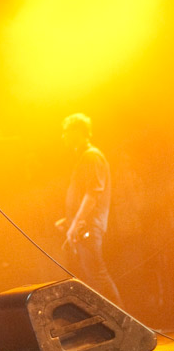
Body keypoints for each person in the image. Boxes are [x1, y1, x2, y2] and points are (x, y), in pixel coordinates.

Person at [55, 113, 123, 306]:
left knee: (97, 275)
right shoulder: (85, 157)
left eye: (66, 131)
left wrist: (75, 223)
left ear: (78, 131)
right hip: (84, 226)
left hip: (89, 227)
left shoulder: (92, 156)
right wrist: (70, 220)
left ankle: (122, 319)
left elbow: (93, 193)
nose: (63, 136)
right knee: (92, 278)